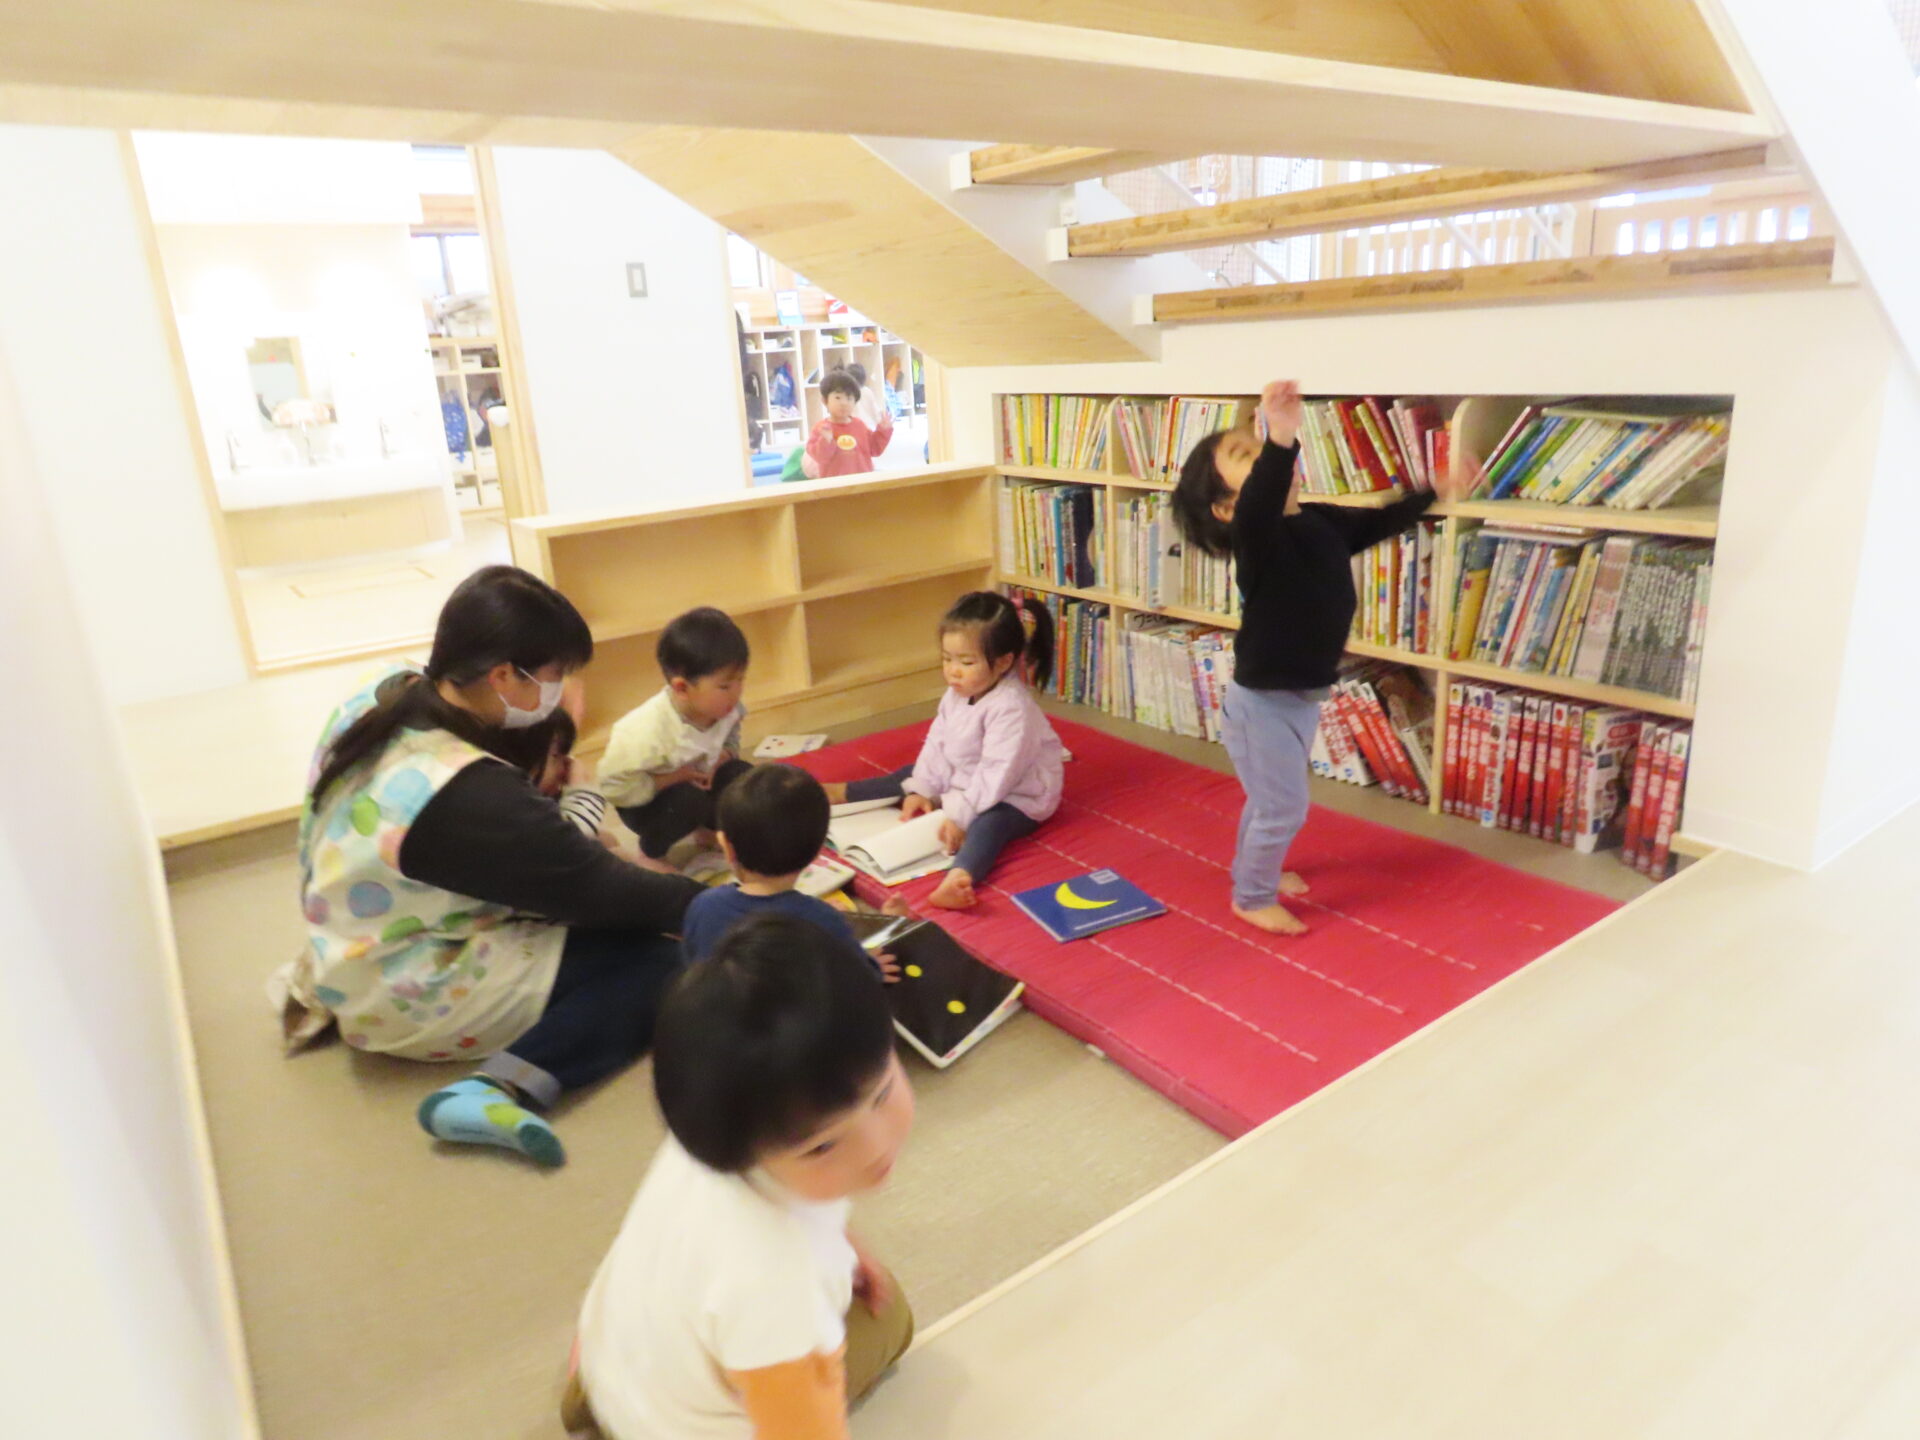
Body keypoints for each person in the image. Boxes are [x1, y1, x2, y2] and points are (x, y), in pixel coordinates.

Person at [289, 565, 704, 1167]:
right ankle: (497, 1087)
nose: (561, 692)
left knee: (626, 928)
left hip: (346, 938)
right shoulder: (466, 794)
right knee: (662, 964)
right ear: (503, 675)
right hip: (399, 986)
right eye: (555, 678)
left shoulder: (389, 687)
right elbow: (600, 887)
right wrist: (723, 904)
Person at [565, 914, 916, 1440]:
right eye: (822, 1146)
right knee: (891, 1319)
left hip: (611, 1361)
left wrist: (842, 1239)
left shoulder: (716, 1128)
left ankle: (592, 1396)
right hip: (678, 1425)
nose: (876, 1145)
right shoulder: (777, 1284)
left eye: (882, 1092)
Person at [1170, 380, 1471, 935]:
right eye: (1243, 454)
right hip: (1263, 704)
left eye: (1256, 447)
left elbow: (1380, 521)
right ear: (1228, 508)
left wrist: (1434, 491)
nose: (1261, 455)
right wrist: (1280, 437)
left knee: (1270, 802)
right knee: (1283, 808)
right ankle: (1251, 895)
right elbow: (1263, 498)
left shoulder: (1319, 521)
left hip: (1300, 696)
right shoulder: (1257, 540)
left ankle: (1254, 868)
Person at [821, 591, 1063, 911]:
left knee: (989, 824)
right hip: (967, 778)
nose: (953, 671)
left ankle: (959, 877)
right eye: (947, 659)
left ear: (1004, 662)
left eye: (967, 662)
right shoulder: (958, 692)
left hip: (1016, 794)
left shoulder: (1012, 708)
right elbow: (937, 744)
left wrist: (960, 816)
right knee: (910, 774)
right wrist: (922, 789)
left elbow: (997, 774)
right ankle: (841, 793)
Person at [681, 764, 902, 978]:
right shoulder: (822, 920)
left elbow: (696, 966)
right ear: (818, 853)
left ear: (727, 848)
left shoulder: (704, 906)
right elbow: (858, 975)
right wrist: (890, 924)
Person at [599, 608, 752, 872]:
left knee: (743, 777)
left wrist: (722, 758)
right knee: (688, 801)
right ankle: (651, 853)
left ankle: (708, 830)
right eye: (725, 686)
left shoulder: (727, 709)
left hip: (697, 781)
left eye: (741, 680)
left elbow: (731, 735)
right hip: (647, 802)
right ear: (682, 687)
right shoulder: (645, 731)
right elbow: (613, 786)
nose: (736, 692)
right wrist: (675, 777)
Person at [804, 368, 892, 478]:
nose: (844, 403)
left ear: (855, 402)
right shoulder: (821, 428)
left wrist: (883, 430)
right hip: (835, 484)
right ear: (825, 401)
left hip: (862, 481)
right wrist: (826, 441)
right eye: (838, 397)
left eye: (849, 398)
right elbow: (820, 457)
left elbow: (875, 448)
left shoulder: (859, 425)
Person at [844, 361, 888, 433]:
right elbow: (876, 412)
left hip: (855, 429)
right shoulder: (867, 391)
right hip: (870, 427)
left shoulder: (847, 393)